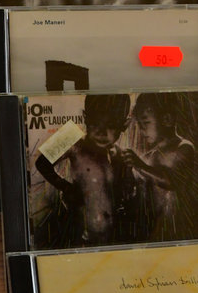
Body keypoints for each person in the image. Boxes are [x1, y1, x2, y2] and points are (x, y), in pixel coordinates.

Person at [35, 93, 135, 247]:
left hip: (112, 238)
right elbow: (41, 162)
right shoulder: (71, 138)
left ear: (125, 125)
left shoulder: (119, 154)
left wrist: (127, 172)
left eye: (111, 125)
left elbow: (126, 194)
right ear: (85, 118)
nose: (102, 132)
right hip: (81, 236)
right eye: (95, 123)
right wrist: (66, 187)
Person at [122, 92, 195, 239]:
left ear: (167, 120)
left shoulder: (184, 147)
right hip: (151, 230)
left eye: (146, 123)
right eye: (139, 125)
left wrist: (139, 166)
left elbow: (172, 181)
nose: (141, 130)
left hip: (176, 229)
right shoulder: (147, 157)